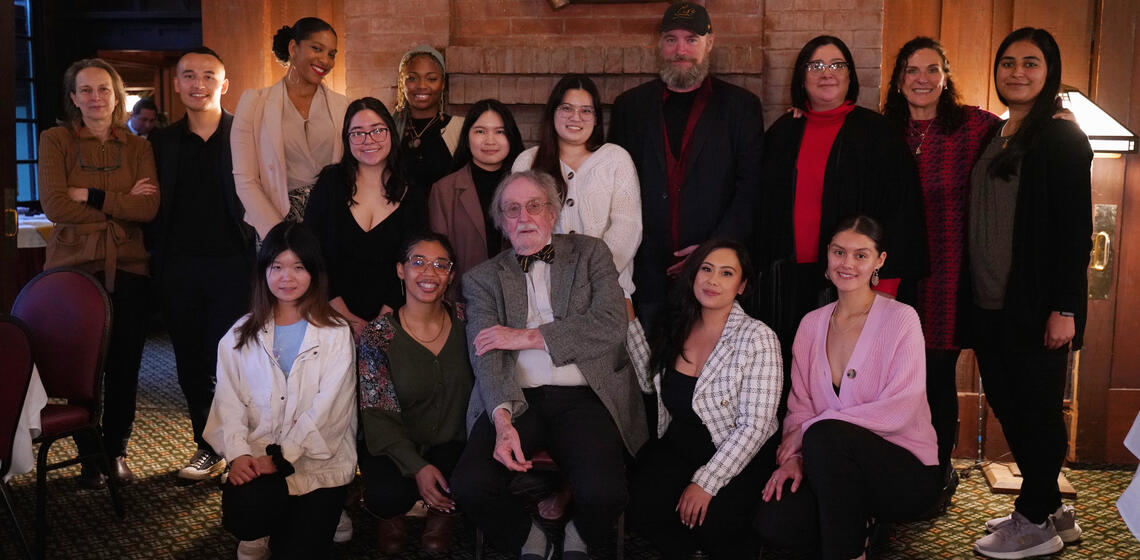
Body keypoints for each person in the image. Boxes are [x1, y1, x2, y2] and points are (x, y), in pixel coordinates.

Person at [450, 170, 648, 559]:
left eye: (534, 206)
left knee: (605, 493)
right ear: (502, 223)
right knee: (470, 484)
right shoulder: (483, 279)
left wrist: (524, 336)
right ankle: (529, 539)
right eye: (512, 209)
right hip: (515, 398)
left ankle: (578, 536)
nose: (524, 217)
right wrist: (502, 421)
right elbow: (486, 353)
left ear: (553, 213)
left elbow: (610, 323)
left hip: (585, 395)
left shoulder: (591, 253)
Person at [968, 28, 1091, 559]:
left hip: (1037, 306)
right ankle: (1049, 508)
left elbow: (1075, 230)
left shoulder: (1061, 136)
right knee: (1010, 406)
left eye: (1031, 63)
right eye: (1008, 62)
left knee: (1036, 412)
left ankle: (1035, 521)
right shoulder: (995, 133)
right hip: (988, 302)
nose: (1017, 72)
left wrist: (1065, 307)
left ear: (1050, 71)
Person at [754, 215, 941, 560]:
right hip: (828, 465)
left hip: (904, 472)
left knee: (825, 436)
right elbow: (800, 407)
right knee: (777, 522)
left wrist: (807, 433)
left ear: (879, 261)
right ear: (827, 254)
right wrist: (794, 457)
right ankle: (859, 524)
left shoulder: (902, 319)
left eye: (861, 255)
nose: (848, 264)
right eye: (839, 252)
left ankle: (851, 551)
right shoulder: (811, 325)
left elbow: (899, 411)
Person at [882, 37, 1002, 507]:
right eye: (912, 70)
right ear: (898, 80)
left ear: (945, 77)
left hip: (947, 273)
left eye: (932, 70)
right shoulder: (881, 130)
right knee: (890, 374)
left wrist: (1058, 117)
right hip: (890, 273)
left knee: (935, 375)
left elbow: (1023, 134)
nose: (922, 79)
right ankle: (894, 470)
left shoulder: (974, 126)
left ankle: (937, 473)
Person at [754, 35, 924, 361]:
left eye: (836, 64)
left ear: (850, 76)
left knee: (842, 375)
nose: (826, 72)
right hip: (785, 282)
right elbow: (761, 208)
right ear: (802, 78)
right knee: (790, 374)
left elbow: (903, 214)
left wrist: (886, 287)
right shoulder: (782, 132)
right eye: (816, 65)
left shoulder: (879, 134)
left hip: (852, 283)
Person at [38, 58, 159, 488]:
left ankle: (116, 452)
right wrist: (120, 202)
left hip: (128, 267)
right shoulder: (54, 140)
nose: (95, 98)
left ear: (116, 95)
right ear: (73, 98)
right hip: (73, 270)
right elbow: (54, 205)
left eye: (103, 89)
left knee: (125, 367)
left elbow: (148, 208)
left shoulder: (139, 146)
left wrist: (90, 194)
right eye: (85, 90)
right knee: (82, 368)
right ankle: (90, 459)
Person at [203, 221, 357, 560]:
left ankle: (328, 512)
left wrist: (281, 457)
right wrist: (239, 454)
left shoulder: (336, 333)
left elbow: (331, 409)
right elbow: (227, 403)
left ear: (314, 273)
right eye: (277, 267)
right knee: (246, 515)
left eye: (298, 267)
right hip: (258, 459)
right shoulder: (238, 336)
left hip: (318, 464)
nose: (287, 278)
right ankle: (261, 529)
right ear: (264, 272)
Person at [609, 1, 763, 330]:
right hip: (645, 273)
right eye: (671, 39)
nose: (681, 50)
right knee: (645, 375)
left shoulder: (742, 107)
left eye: (691, 39)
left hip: (715, 275)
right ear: (659, 45)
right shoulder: (629, 108)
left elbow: (750, 189)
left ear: (710, 42)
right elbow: (614, 190)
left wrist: (712, 251)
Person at [629, 239, 782, 559]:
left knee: (715, 521)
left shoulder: (758, 337)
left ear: (742, 286)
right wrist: (628, 321)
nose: (713, 280)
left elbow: (755, 426)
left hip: (736, 447)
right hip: (681, 441)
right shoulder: (676, 322)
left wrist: (706, 483)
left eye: (727, 273)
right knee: (642, 507)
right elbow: (648, 381)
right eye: (706, 270)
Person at [148, 47, 256, 480]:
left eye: (208, 76)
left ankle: (242, 447)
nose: (198, 84)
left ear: (224, 84)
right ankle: (207, 447)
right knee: (191, 363)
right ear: (176, 84)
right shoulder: (159, 143)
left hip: (236, 265)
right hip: (179, 267)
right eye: (189, 76)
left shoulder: (246, 134)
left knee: (234, 362)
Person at [357, 232, 473, 554]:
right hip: (394, 445)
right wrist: (416, 467)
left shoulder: (469, 322)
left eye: (440, 265)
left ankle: (441, 513)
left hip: (453, 442)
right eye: (418, 262)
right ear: (400, 270)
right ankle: (391, 515)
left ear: (451, 276)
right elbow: (376, 414)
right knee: (388, 498)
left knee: (469, 486)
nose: (428, 273)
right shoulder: (378, 335)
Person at [514, 74, 642, 316]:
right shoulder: (528, 161)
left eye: (586, 111)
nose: (576, 118)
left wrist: (591, 278)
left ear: (596, 119)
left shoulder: (615, 158)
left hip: (606, 290)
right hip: (543, 292)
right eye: (567, 108)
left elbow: (628, 228)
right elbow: (519, 227)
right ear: (553, 112)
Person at [304, 97, 422, 340]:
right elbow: (312, 252)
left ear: (391, 132)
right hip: (329, 312)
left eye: (378, 130)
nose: (368, 141)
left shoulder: (413, 191)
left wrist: (384, 320)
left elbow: (414, 260)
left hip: (395, 315)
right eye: (357, 133)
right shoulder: (330, 183)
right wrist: (345, 317)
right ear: (347, 140)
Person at [232, 17, 347, 239]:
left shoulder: (343, 106)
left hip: (331, 222)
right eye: (317, 49)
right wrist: (277, 234)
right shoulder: (254, 103)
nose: (325, 60)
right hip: (273, 223)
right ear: (293, 48)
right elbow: (245, 180)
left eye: (332, 54)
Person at [428, 98, 526, 296]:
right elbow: (439, 256)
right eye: (480, 131)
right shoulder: (444, 190)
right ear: (467, 137)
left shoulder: (527, 186)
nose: (490, 141)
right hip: (466, 299)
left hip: (521, 297)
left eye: (500, 132)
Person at [394, 45, 465, 196]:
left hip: (444, 217)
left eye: (431, 78)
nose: (421, 86)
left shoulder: (459, 129)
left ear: (443, 84)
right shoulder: (390, 129)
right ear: (402, 83)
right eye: (412, 78)